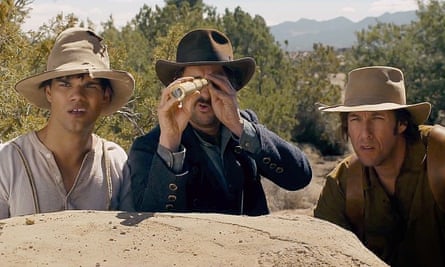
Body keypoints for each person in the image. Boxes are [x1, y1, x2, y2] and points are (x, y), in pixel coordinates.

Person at [127, 28, 312, 216]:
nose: (206, 94)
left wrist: (239, 127)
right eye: (196, 83)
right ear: (177, 86)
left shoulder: (244, 127)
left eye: (216, 83)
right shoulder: (149, 147)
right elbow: (150, 220)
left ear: (231, 86)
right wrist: (170, 143)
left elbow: (299, 178)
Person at [314, 66, 445, 266]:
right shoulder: (343, 184)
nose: (365, 133)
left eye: (377, 117)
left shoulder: (439, 157)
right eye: (356, 119)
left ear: (401, 123)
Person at [0, 27, 135, 219]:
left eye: (90, 86)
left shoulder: (114, 162)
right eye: (64, 84)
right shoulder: (8, 161)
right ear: (49, 93)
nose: (77, 96)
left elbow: (130, 243)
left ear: (105, 95)